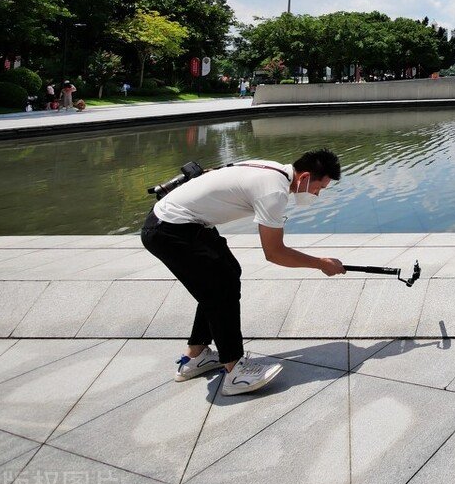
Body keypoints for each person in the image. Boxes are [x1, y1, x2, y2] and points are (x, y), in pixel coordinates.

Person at [140, 149, 346, 396]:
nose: (317, 194)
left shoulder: (272, 168)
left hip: (181, 223)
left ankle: (197, 355)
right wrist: (321, 263)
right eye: (319, 188)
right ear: (304, 177)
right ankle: (235, 371)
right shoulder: (274, 192)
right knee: (220, 289)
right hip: (170, 229)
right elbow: (274, 252)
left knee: (227, 274)